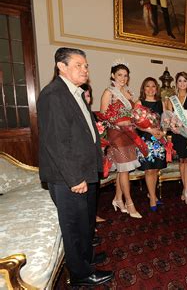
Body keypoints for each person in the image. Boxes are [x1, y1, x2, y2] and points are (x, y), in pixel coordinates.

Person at [37, 47, 113, 286]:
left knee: (86, 221)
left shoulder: (76, 93)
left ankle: (86, 257)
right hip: (68, 176)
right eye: (79, 65)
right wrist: (74, 178)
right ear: (61, 66)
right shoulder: (54, 95)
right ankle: (80, 273)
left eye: (86, 65)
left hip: (85, 170)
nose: (85, 69)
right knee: (73, 226)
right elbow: (57, 142)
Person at [100, 63, 142, 219]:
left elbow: (134, 113)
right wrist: (119, 123)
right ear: (113, 75)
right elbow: (104, 116)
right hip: (116, 135)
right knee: (124, 169)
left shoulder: (128, 92)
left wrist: (137, 109)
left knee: (122, 169)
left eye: (125, 75)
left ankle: (118, 199)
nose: (123, 78)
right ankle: (130, 203)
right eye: (120, 75)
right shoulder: (108, 92)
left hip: (129, 134)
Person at [165, 71, 187, 205]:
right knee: (181, 161)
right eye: (180, 81)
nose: (182, 83)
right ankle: (185, 189)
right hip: (178, 135)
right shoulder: (170, 100)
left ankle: (185, 190)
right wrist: (171, 127)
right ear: (176, 83)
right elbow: (168, 118)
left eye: (185, 81)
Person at [135, 77, 167, 211]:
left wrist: (163, 132)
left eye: (153, 86)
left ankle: (151, 194)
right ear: (144, 88)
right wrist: (150, 130)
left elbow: (165, 121)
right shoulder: (139, 102)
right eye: (147, 86)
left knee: (155, 169)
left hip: (158, 140)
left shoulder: (161, 103)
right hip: (145, 139)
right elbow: (135, 123)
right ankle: (153, 199)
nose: (150, 89)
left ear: (156, 88)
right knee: (149, 169)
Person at [81, 83, 107, 224]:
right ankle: (87, 222)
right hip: (82, 161)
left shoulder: (93, 116)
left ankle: (93, 216)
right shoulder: (75, 116)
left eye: (88, 95)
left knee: (94, 190)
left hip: (94, 159)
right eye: (83, 95)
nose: (86, 98)